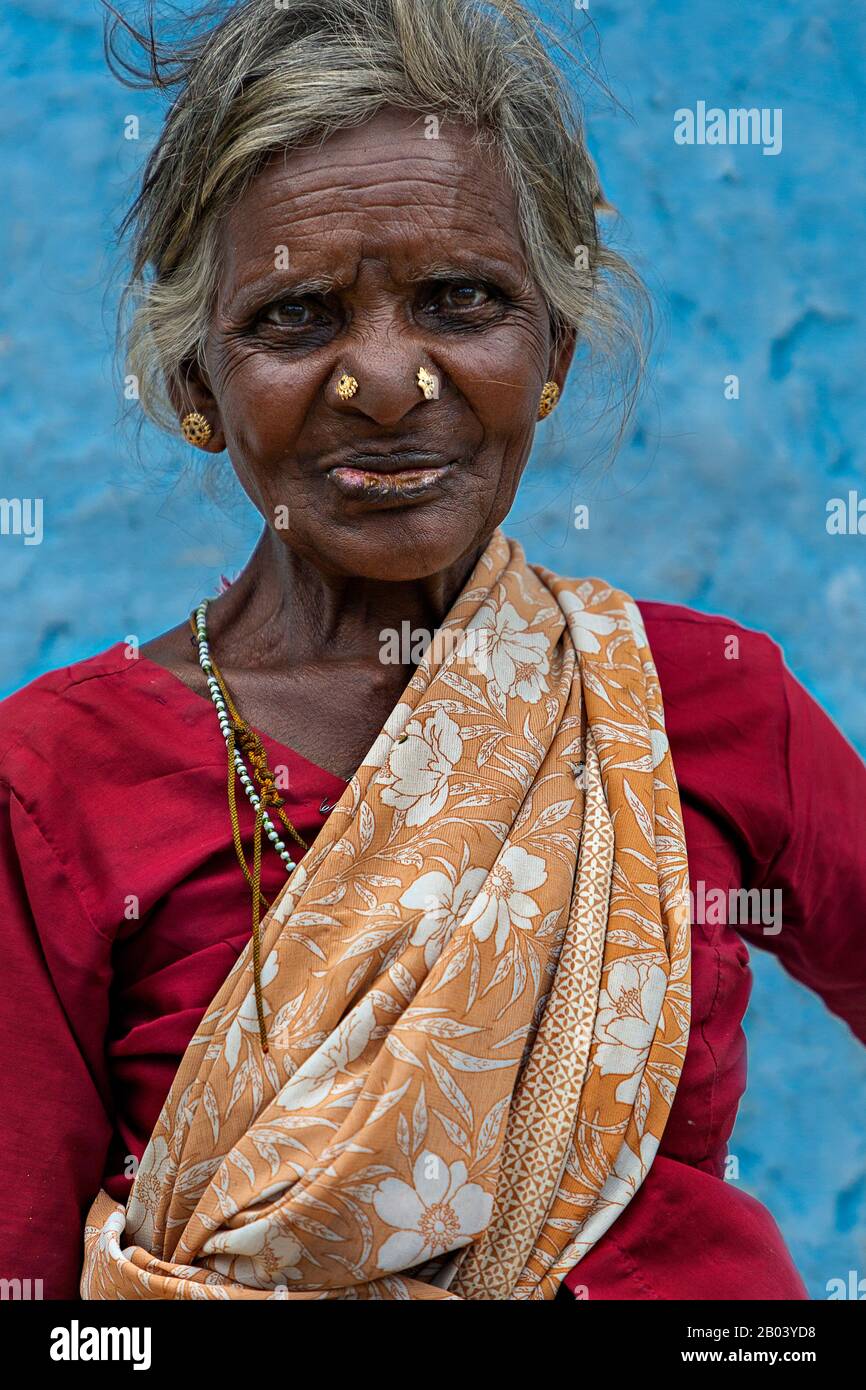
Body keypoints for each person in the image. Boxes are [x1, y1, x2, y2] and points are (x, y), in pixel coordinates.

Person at [1, 0, 864, 1300]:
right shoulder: (56, 779)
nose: (388, 381)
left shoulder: (696, 702)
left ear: (553, 350)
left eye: (461, 301)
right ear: (192, 383)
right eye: (296, 319)